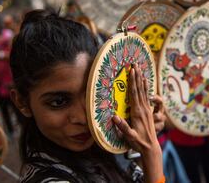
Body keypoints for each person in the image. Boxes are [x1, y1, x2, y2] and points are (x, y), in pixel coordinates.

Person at [10, 10, 165, 183]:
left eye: (90, 95)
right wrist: (152, 154)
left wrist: (134, 143)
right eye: (59, 102)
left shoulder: (102, 148)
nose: (83, 118)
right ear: (22, 102)